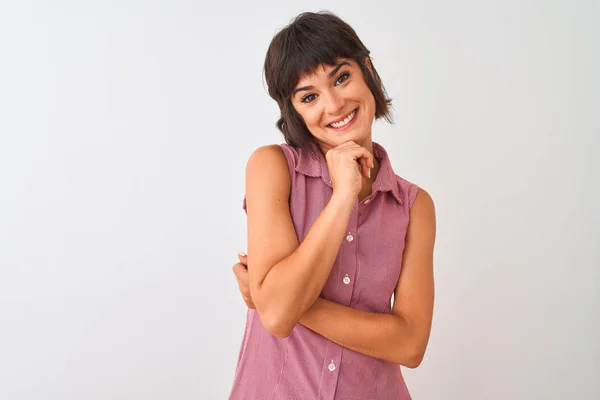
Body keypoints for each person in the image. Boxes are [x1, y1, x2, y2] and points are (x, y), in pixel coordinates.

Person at [228, 11, 436, 400]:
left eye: (342, 77)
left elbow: (410, 345)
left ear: (367, 70)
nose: (334, 104)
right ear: (294, 111)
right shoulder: (271, 168)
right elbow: (275, 315)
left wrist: (279, 299)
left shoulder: (415, 207)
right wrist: (342, 197)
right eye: (309, 96)